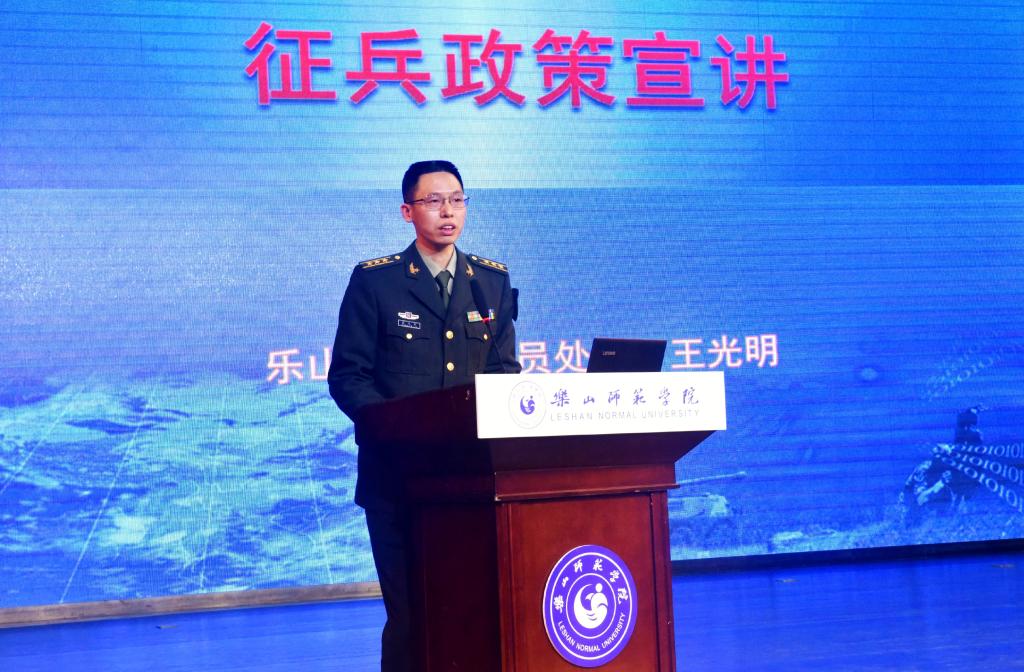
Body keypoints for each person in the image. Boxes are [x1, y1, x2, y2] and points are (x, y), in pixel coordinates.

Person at [327, 160, 521, 672]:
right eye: (433, 201)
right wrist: (397, 431)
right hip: (399, 483)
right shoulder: (377, 282)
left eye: (456, 200)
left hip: (474, 483)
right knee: (412, 618)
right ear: (407, 212)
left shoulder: (490, 282)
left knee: (473, 613)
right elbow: (348, 376)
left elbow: (504, 373)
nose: (447, 211)